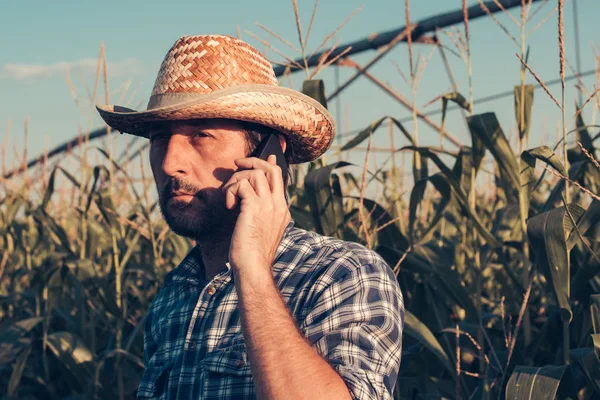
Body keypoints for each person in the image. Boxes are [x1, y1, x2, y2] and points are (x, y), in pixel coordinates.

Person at [96, 34, 404, 400]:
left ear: (268, 154)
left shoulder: (342, 274)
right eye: (160, 137)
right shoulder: (173, 295)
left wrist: (253, 270)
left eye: (201, 135)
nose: (168, 163)